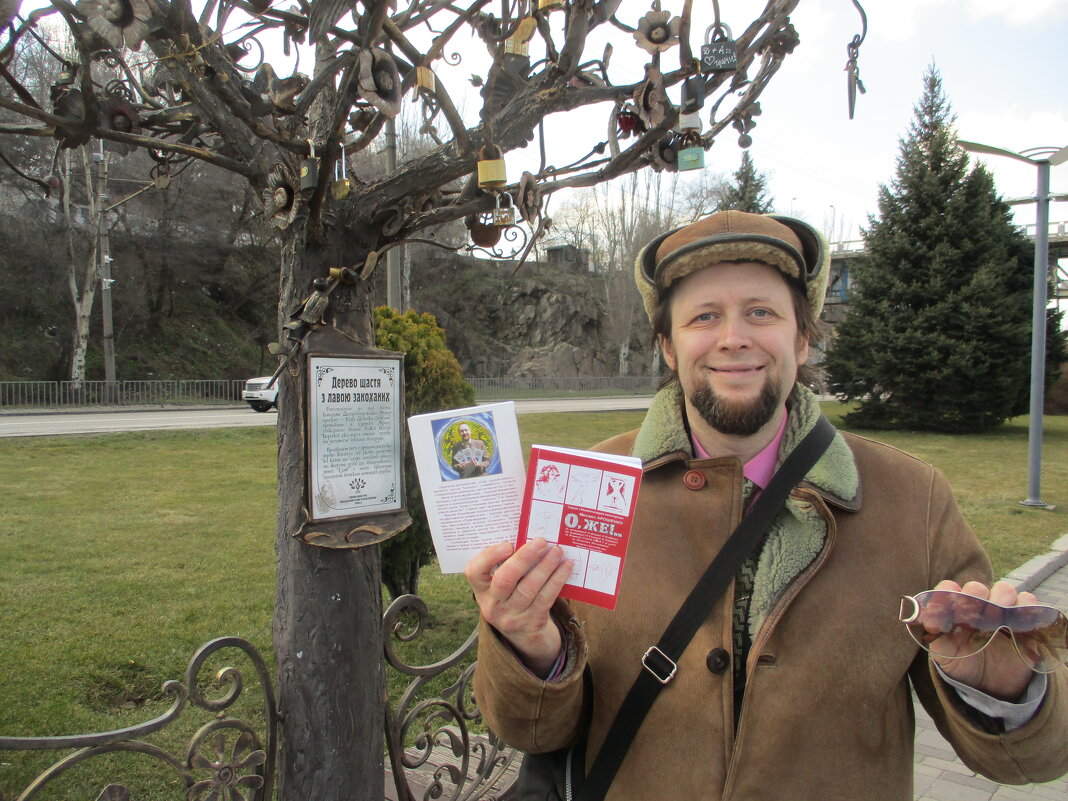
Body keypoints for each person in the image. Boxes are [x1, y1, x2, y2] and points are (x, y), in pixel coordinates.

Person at [465, 210, 1068, 800]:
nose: (733, 338)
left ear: (802, 338)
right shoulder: (585, 487)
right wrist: (530, 649)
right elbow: (535, 731)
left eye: (761, 312)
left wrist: (1004, 691)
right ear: (669, 348)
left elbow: (1030, 761)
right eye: (704, 316)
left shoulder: (915, 500)